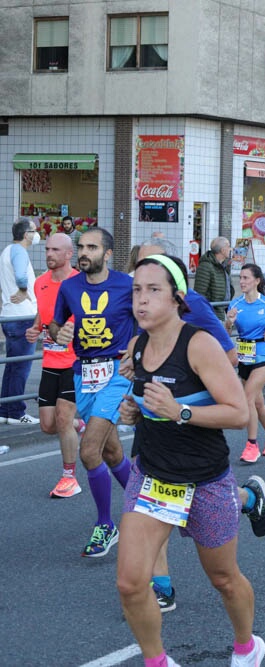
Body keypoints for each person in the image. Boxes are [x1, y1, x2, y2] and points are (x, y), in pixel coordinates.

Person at [115, 255, 265, 667]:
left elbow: (238, 413)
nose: (141, 301)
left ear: (177, 298)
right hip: (153, 476)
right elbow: (149, 401)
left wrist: (179, 412)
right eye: (136, 291)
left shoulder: (198, 344)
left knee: (223, 578)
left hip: (204, 480)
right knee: (131, 583)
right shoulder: (138, 344)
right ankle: (158, 662)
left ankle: (246, 646)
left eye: (153, 290)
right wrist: (133, 410)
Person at [49, 228, 134, 557]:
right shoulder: (69, 287)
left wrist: (135, 353)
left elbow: (146, 323)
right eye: (81, 247)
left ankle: (105, 524)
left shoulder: (127, 286)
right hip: (84, 374)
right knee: (111, 453)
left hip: (116, 373)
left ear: (108, 254)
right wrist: (61, 331)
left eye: (91, 247)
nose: (84, 252)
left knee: (89, 450)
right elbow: (55, 326)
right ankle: (148, 505)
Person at [25, 232, 84, 497]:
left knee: (63, 418)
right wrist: (35, 328)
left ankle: (69, 477)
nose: (49, 254)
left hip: (75, 362)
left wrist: (72, 326)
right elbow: (43, 312)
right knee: (48, 425)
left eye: (55, 250)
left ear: (69, 254)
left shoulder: (80, 282)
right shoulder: (40, 283)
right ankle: (80, 427)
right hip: (50, 360)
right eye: (47, 249)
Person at [226, 264, 265, 463]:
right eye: (240, 277)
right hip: (245, 356)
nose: (241, 281)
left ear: (257, 281)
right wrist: (228, 322)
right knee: (258, 403)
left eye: (246, 278)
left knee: (247, 398)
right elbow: (226, 336)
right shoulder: (235, 304)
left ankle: (252, 445)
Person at [0, 217, 40, 424]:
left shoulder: (7, 251)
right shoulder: (19, 252)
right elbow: (22, 277)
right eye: (34, 231)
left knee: (12, 366)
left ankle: (5, 409)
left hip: (9, 316)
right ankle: (16, 412)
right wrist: (24, 290)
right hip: (22, 317)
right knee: (21, 367)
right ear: (26, 235)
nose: (36, 234)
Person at [193, 236, 234, 321]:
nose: (231, 249)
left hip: (220, 312)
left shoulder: (223, 265)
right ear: (223, 250)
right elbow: (199, 293)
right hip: (211, 314)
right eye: (229, 246)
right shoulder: (206, 266)